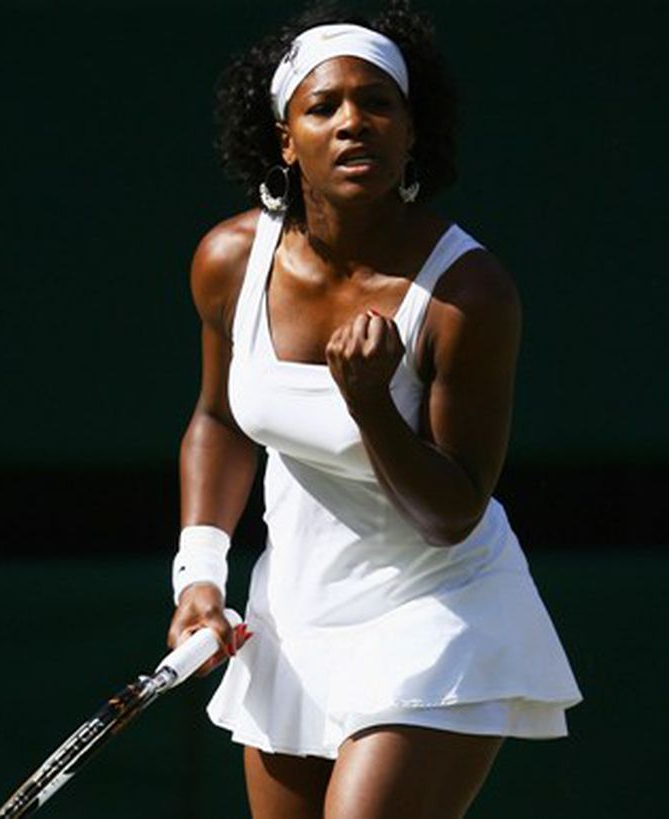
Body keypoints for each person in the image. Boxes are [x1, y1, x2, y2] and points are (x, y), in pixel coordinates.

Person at [167, 2, 582, 817]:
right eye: (323, 107)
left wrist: (371, 405)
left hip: (438, 605)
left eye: (377, 103)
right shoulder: (228, 260)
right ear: (286, 140)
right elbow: (217, 421)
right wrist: (200, 574)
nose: (352, 122)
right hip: (295, 614)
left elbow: (453, 511)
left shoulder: (468, 292)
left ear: (410, 130)